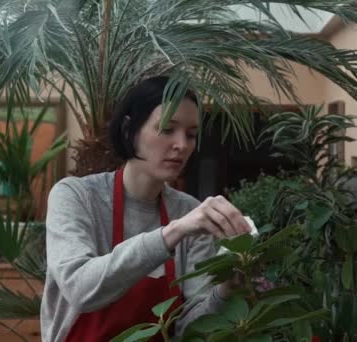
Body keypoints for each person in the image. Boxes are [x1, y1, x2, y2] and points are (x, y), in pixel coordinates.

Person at [40, 76, 251, 342]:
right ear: (130, 129)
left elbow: (190, 330)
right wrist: (172, 233)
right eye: (167, 129)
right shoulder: (76, 196)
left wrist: (225, 289)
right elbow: (80, 289)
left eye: (191, 134)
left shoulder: (189, 211)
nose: (182, 145)